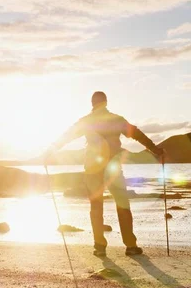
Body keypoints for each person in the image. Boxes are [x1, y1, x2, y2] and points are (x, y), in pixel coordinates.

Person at [45, 91, 164, 257]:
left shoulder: (85, 121)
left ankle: (99, 246)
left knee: (96, 206)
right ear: (106, 102)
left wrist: (50, 151)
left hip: (92, 168)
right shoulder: (116, 119)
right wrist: (156, 150)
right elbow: (137, 134)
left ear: (92, 104)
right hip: (113, 168)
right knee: (122, 204)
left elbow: (67, 136)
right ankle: (130, 245)